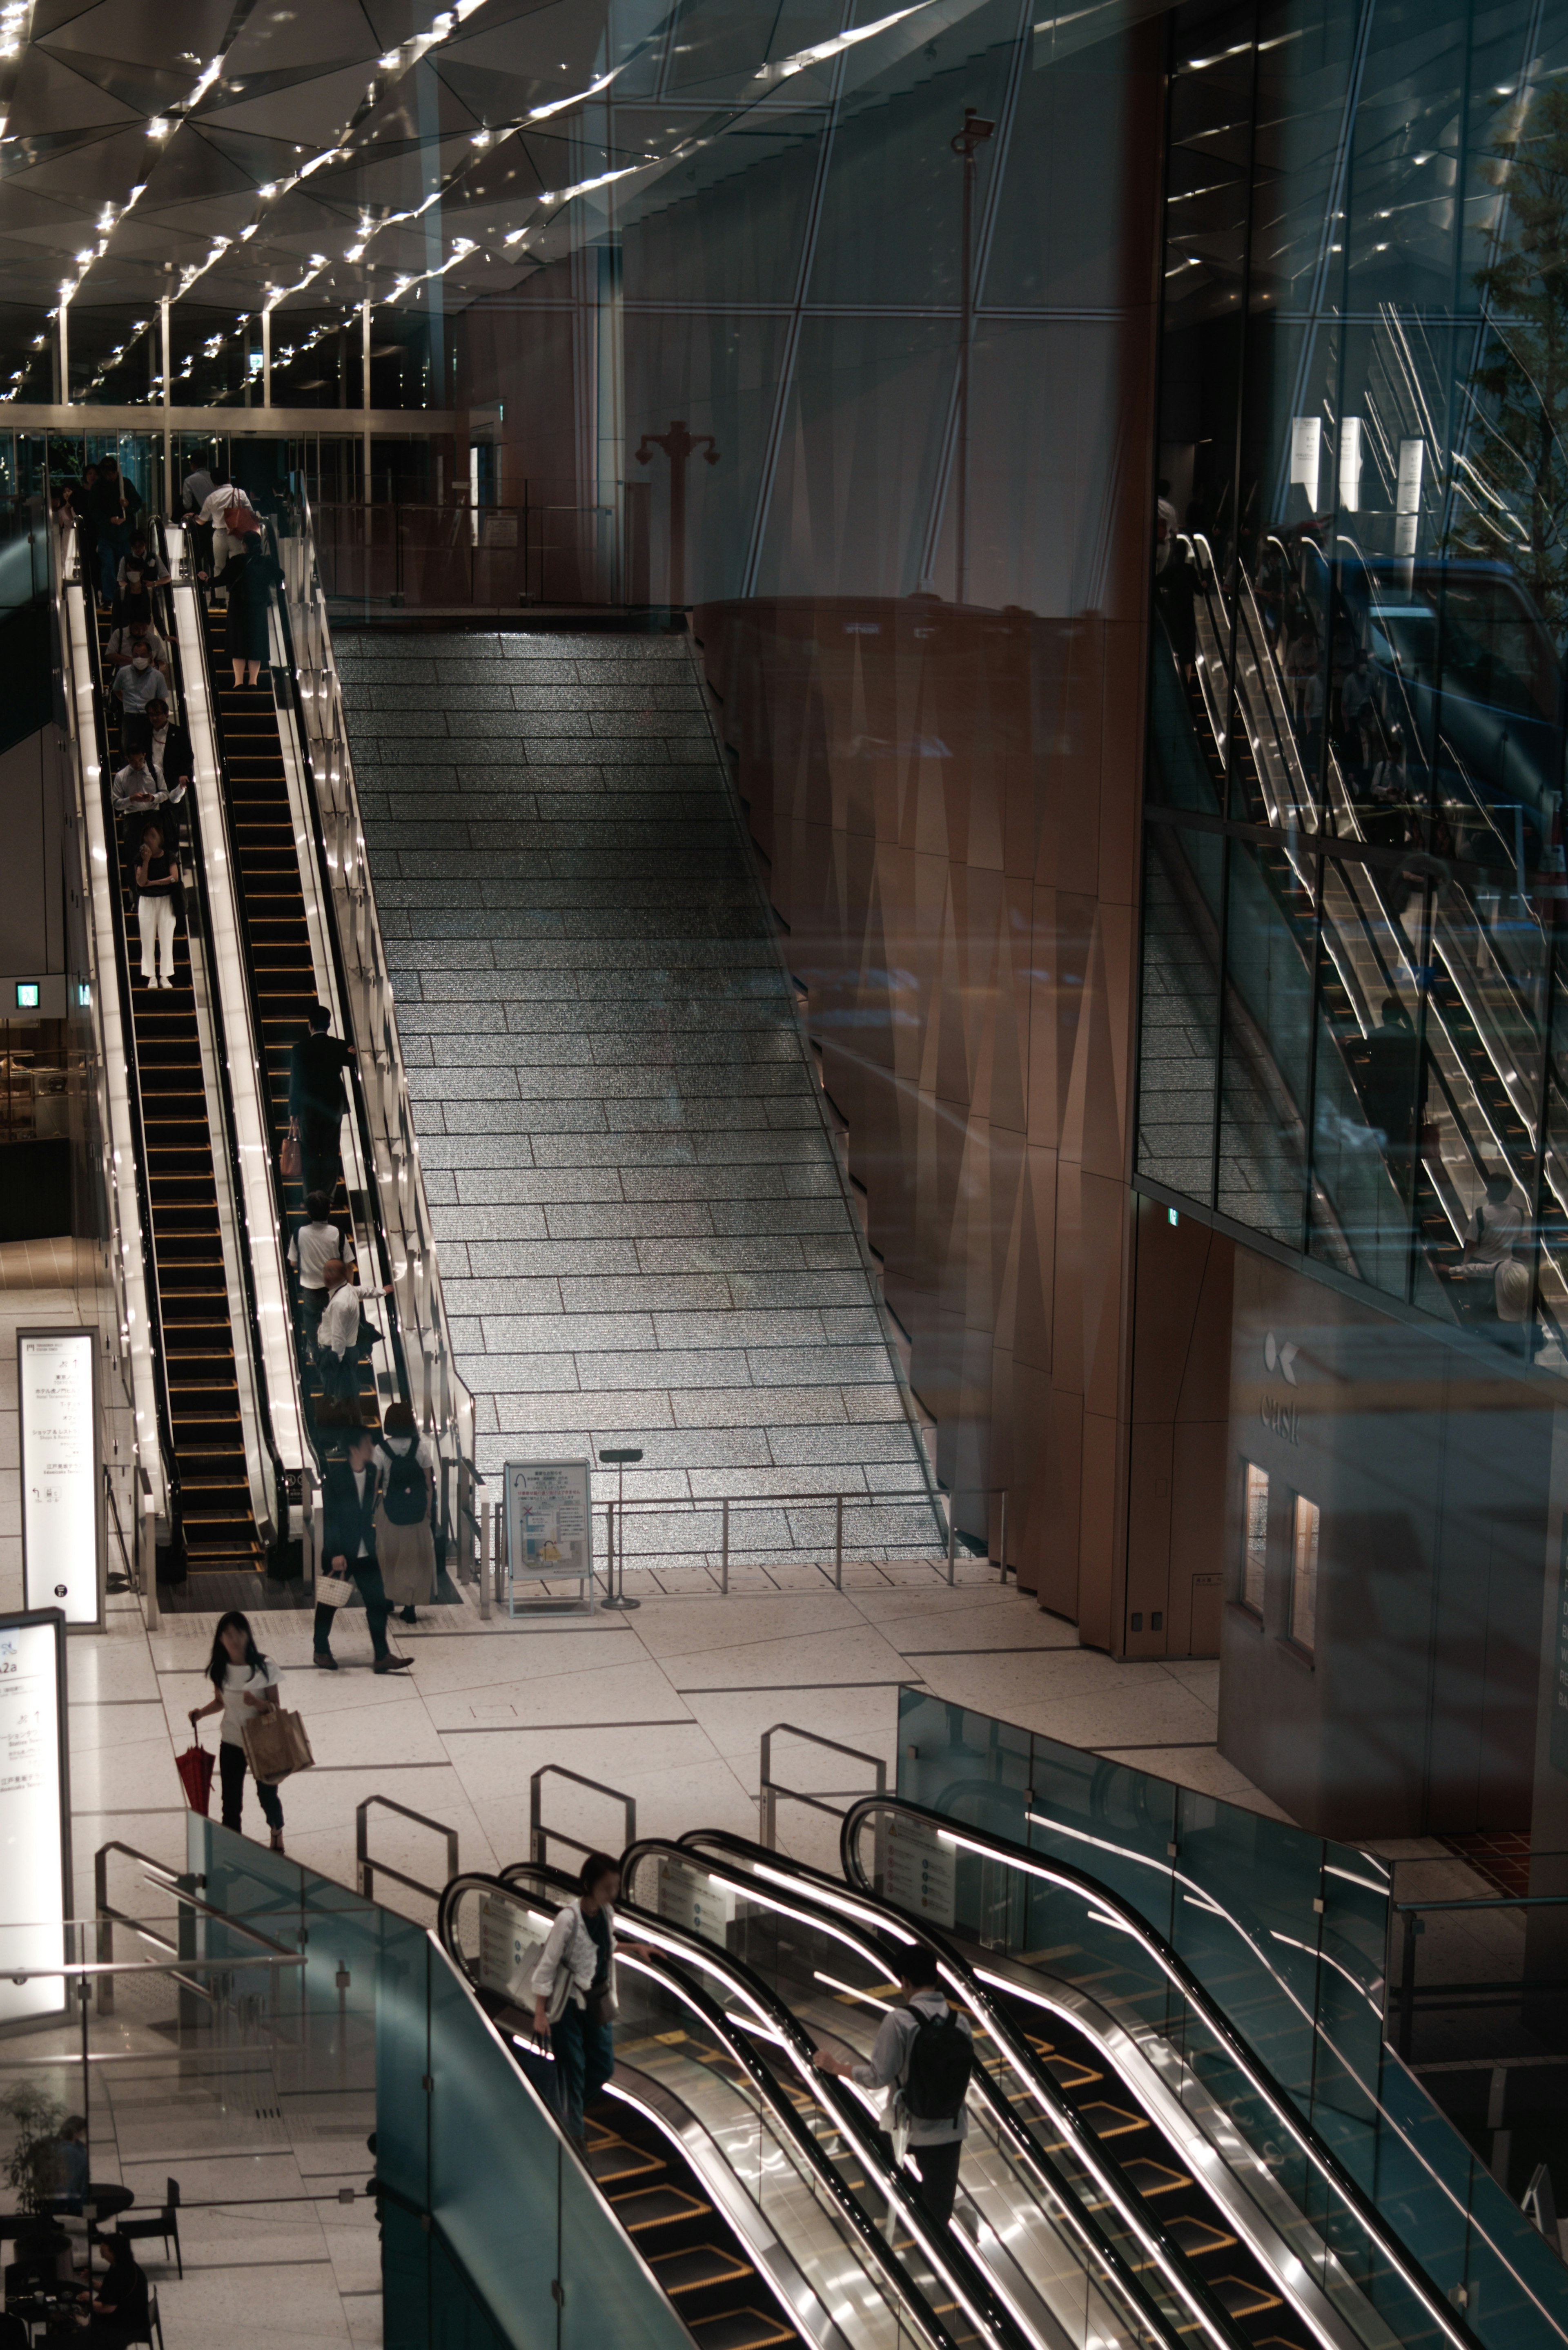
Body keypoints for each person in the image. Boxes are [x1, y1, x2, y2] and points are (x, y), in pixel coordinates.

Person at [815, 1943, 973, 2227]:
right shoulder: (959, 2022)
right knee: (939, 2213)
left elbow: (878, 2076)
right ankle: (936, 2257)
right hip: (951, 2129)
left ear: (906, 1982)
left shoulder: (900, 2021)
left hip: (907, 2128)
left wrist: (836, 2067)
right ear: (935, 1979)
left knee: (873, 2164)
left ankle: (880, 2228)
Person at [530, 1854, 652, 2150]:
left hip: (597, 2001)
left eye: (616, 1887)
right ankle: (575, 2137)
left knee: (602, 2067)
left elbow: (606, 1946)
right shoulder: (568, 1919)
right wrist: (540, 2014)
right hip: (568, 2005)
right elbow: (547, 1966)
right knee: (574, 2069)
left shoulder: (607, 1914)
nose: (613, 1894)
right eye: (607, 1888)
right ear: (589, 1885)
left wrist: (635, 1947)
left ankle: (561, 2115)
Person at [315, 1426, 414, 1674]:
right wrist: (335, 1553)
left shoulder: (371, 1472)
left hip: (366, 1551)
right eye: (368, 1443)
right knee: (329, 1603)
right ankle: (321, 1650)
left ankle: (382, 1656)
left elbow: (368, 1510)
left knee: (378, 1603)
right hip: (341, 1553)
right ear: (354, 1449)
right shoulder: (336, 1478)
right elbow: (330, 1519)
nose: (373, 1448)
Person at [186, 1610, 285, 1851]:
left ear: (248, 1635)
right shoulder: (219, 1670)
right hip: (231, 1741)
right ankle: (233, 1849)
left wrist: (258, 1704)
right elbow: (221, 1702)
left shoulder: (265, 1666)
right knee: (230, 1802)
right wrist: (201, 1713)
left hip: (263, 1742)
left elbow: (276, 1709)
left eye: (239, 1633)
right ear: (220, 1639)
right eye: (228, 1634)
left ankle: (276, 1829)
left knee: (267, 1796)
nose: (234, 1639)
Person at [375, 1400, 436, 1625]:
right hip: (417, 1512)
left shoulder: (380, 1450)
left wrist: (372, 1511)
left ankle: (388, 1599)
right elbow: (429, 1484)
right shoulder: (421, 1448)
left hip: (390, 1511)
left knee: (388, 1556)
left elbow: (375, 1487)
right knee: (414, 1559)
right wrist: (428, 1509)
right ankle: (410, 1607)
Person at [289, 1004, 354, 1202]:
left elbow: (295, 1081)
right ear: (329, 1025)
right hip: (333, 1107)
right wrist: (351, 1052)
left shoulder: (299, 1049)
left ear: (310, 1025)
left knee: (309, 1152)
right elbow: (353, 1056)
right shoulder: (338, 1046)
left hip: (308, 1109)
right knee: (330, 1152)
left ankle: (311, 1196)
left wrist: (293, 1110)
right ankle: (328, 1196)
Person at [314, 1256, 388, 1410]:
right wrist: (382, 1292)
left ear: (341, 1275)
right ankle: (348, 1414)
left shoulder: (340, 1303)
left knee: (339, 1395)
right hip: (348, 1352)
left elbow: (338, 1336)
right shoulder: (348, 1290)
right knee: (348, 1392)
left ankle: (341, 1419)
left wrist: (335, 1361)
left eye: (330, 1272)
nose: (325, 1275)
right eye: (325, 1271)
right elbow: (364, 1291)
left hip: (338, 1354)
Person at [288, 1188, 354, 1360]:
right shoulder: (337, 1233)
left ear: (308, 1213)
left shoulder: (299, 1233)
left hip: (310, 1287)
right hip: (335, 1288)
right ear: (329, 1210)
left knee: (309, 1316)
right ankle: (333, 1349)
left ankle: (312, 1348)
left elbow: (293, 1262)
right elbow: (349, 1264)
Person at [214, 531, 281, 687]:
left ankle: (238, 682)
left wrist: (206, 580)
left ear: (244, 545)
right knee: (256, 643)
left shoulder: (236, 561)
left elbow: (221, 580)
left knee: (238, 643)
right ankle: (253, 681)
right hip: (258, 608)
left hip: (238, 607)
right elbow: (280, 575)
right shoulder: (266, 562)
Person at [75, 2232, 149, 2350]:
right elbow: (110, 2291)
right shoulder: (122, 2264)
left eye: (104, 2246)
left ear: (113, 2251)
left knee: (81, 2333)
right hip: (132, 2317)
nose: (100, 2248)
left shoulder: (122, 2274)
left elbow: (108, 2308)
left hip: (128, 2328)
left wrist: (89, 2301)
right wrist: (91, 2281)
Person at [88, 456, 138, 608]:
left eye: (112, 472)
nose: (110, 476)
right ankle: (109, 598)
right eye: (107, 473)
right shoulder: (98, 487)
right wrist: (109, 520)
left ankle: (125, 595)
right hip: (107, 534)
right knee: (109, 566)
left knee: (125, 568)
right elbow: (93, 510)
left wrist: (128, 505)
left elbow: (137, 503)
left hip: (124, 534)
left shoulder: (126, 484)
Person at [134, 823, 179, 988]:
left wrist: (154, 883)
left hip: (166, 900)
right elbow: (141, 881)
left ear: (160, 838)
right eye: (147, 836)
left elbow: (175, 877)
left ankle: (165, 976)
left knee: (167, 938)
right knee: (147, 939)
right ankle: (151, 976)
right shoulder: (140, 858)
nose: (149, 840)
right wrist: (146, 861)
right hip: (147, 901)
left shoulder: (168, 856)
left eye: (153, 836)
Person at [197, 468, 254, 598]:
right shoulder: (240, 493)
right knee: (239, 565)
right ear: (228, 479)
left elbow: (202, 521)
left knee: (219, 567)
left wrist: (194, 517)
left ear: (214, 483)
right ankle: (237, 593)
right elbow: (250, 512)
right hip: (237, 533)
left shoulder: (212, 497)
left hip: (219, 534)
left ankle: (220, 598)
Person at [111, 643, 169, 734]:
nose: (139, 659)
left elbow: (162, 699)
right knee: (129, 746)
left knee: (151, 746)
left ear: (150, 657)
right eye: (136, 656)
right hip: (130, 718)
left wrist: (163, 718)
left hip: (150, 718)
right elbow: (116, 690)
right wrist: (127, 701)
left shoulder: (158, 676)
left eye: (143, 656)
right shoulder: (123, 673)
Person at [1154, 476, 1177, 574]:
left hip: (1151, 543)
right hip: (1164, 545)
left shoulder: (1151, 505)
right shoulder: (1170, 508)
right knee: (1158, 575)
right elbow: (1175, 529)